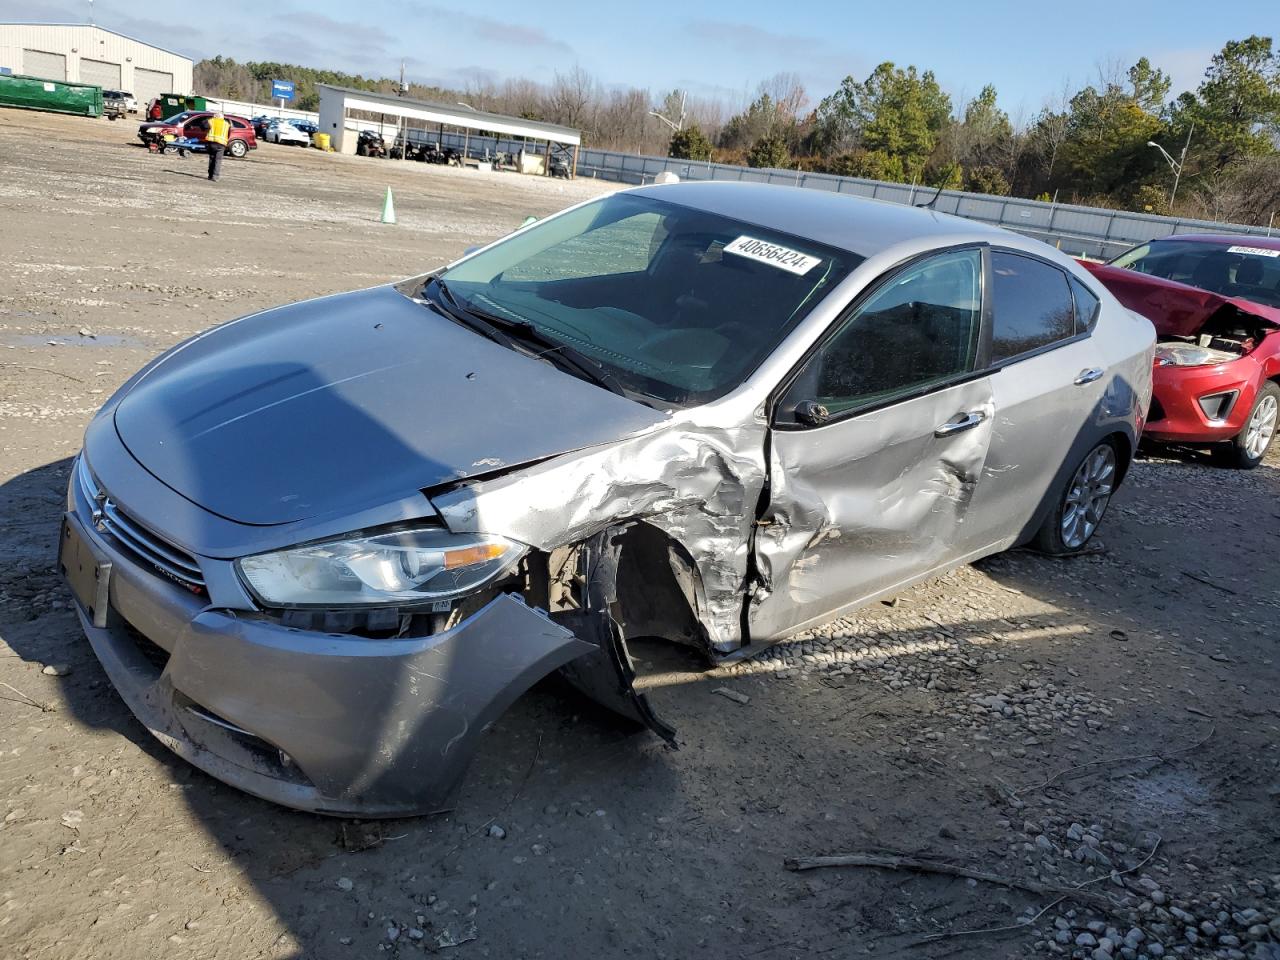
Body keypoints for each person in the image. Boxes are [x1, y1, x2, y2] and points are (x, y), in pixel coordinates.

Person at [205, 111, 230, 182]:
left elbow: (203, 126)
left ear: (215, 116)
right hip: (221, 144)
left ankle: (210, 175)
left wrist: (208, 119)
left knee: (212, 158)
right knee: (218, 160)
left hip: (211, 142)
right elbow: (228, 134)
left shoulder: (211, 121)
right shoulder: (226, 124)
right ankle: (215, 177)